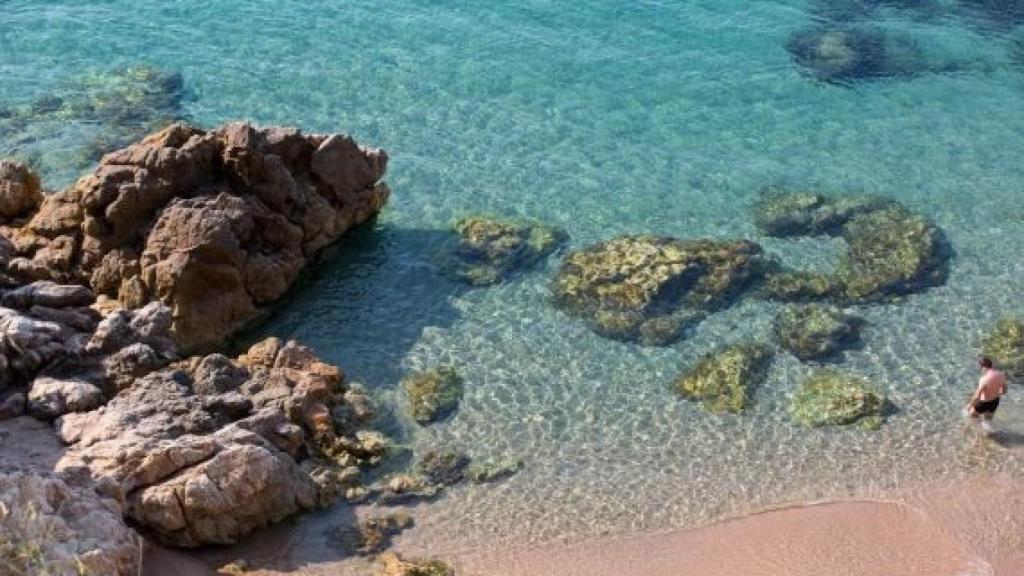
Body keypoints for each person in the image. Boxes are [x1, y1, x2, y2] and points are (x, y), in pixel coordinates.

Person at [965, 357, 1008, 433]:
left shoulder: (984, 379)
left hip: (984, 403)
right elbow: (1004, 391)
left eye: (980, 367)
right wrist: (995, 393)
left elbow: (977, 395)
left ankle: (979, 431)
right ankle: (987, 432)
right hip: (995, 401)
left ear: (983, 367)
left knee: (972, 415)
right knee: (987, 421)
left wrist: (969, 405)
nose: (981, 370)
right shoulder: (1001, 375)